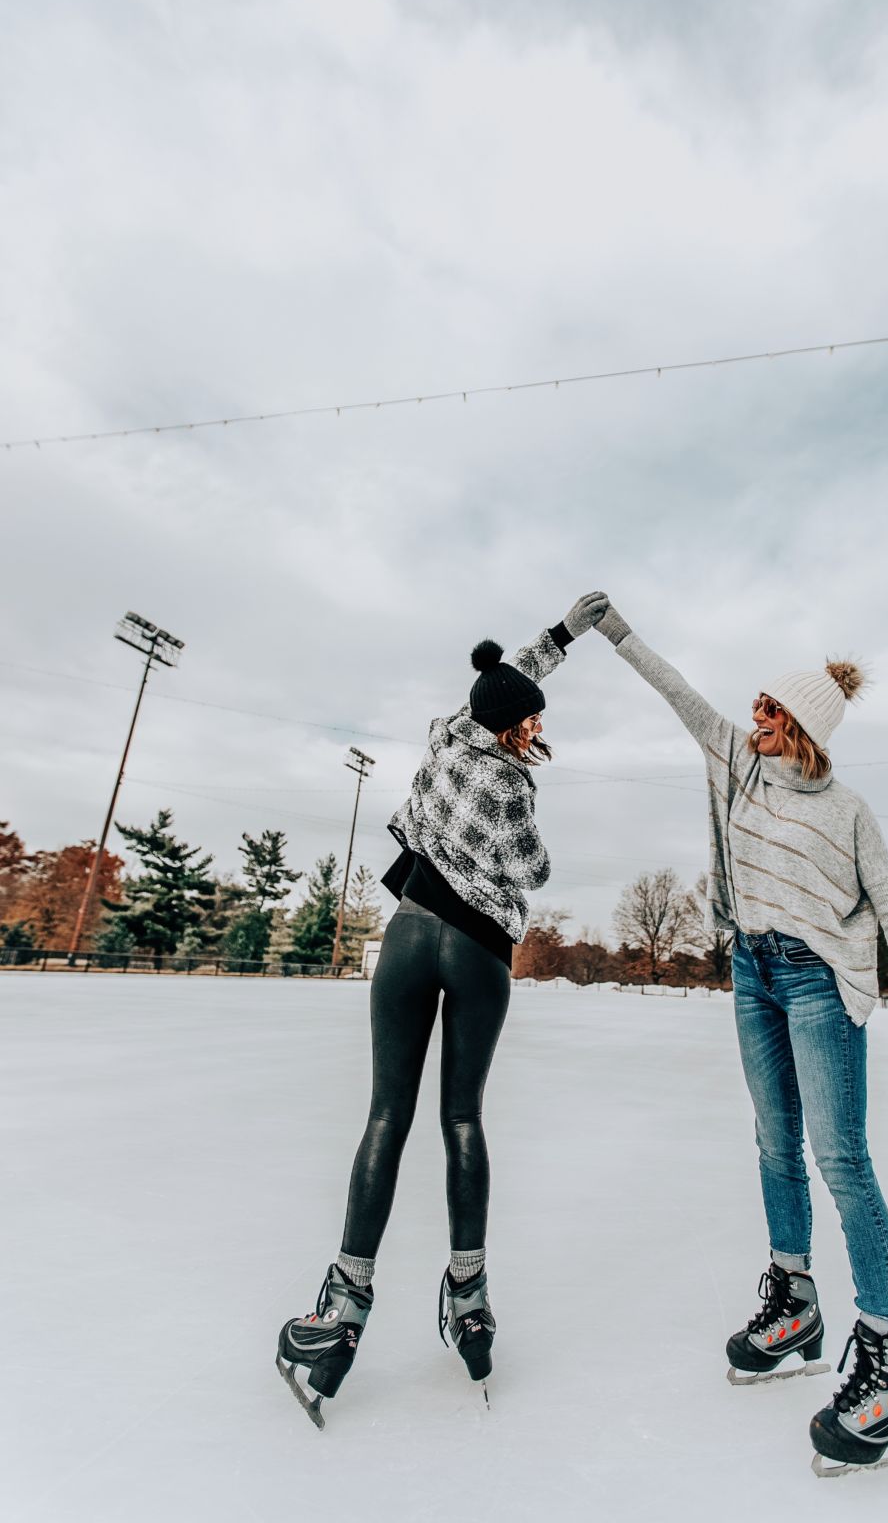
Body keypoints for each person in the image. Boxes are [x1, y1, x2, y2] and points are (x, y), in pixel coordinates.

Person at [592, 600, 888, 1474]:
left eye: (767, 712)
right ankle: (795, 1303)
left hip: (819, 983)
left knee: (841, 1159)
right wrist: (617, 633)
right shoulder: (734, 767)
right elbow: (680, 695)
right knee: (771, 1144)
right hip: (751, 972)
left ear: (801, 729)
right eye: (752, 707)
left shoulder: (850, 811)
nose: (751, 719)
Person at [275, 593, 607, 1426]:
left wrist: (560, 636)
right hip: (479, 950)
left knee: (386, 1116)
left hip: (411, 933)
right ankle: (469, 1296)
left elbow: (506, 677)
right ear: (512, 726)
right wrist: (525, 776)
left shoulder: (445, 732)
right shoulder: (509, 787)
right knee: (462, 1120)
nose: (535, 726)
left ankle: (342, 1309)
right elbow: (532, 870)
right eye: (528, 723)